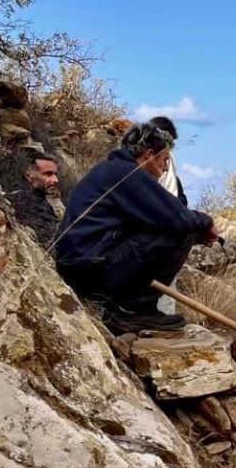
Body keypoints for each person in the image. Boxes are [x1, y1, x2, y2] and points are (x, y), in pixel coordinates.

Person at [55, 122, 217, 333]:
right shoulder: (126, 173)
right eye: (164, 160)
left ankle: (128, 309)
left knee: (177, 228)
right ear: (150, 154)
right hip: (91, 273)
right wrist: (207, 223)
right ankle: (132, 311)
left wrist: (198, 233)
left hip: (82, 268)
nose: (166, 168)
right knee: (180, 231)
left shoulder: (111, 170)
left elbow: (146, 224)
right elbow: (177, 218)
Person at [147, 116, 188, 315]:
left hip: (159, 225)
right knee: (164, 284)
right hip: (163, 227)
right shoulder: (164, 156)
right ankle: (161, 323)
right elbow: (170, 194)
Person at [6, 149, 61, 250]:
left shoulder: (42, 201)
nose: (55, 180)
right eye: (48, 174)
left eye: (55, 174)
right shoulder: (20, 200)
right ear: (29, 176)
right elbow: (45, 239)